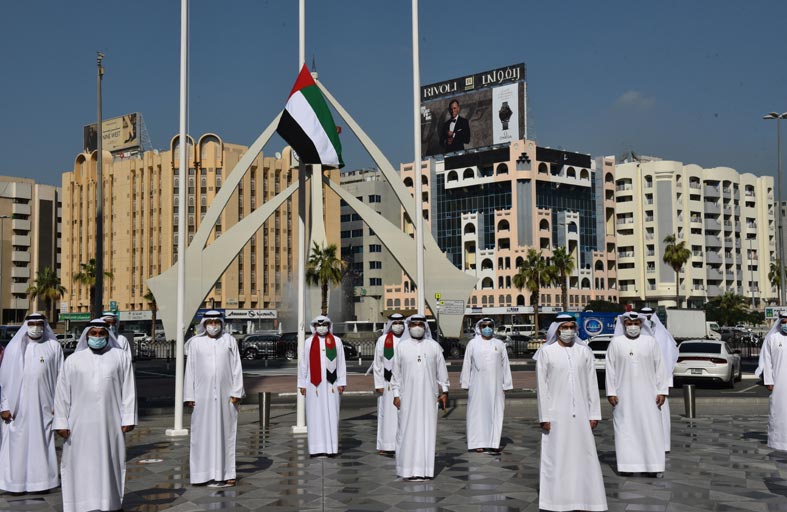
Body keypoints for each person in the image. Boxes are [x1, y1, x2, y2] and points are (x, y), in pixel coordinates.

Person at [54, 318, 137, 512]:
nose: (97, 337)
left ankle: (109, 503)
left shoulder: (120, 356)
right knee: (80, 464)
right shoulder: (73, 360)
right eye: (94, 334)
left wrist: (128, 418)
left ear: (108, 336)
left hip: (111, 423)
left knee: (110, 462)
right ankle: (81, 504)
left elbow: (128, 389)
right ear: (87, 335)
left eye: (101, 334)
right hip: (79, 424)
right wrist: (61, 422)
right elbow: (62, 394)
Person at [536, 313, 607, 511]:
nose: (568, 331)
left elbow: (592, 385)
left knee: (584, 455)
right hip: (556, 414)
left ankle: (585, 500)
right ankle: (556, 501)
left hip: (582, 414)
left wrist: (594, 414)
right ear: (557, 329)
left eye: (571, 327)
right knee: (557, 456)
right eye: (564, 327)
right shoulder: (546, 353)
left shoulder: (584, 352)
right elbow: (542, 387)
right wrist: (545, 416)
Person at [0, 313, 63, 493]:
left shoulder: (54, 346)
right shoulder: (15, 348)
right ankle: (15, 484)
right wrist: (4, 406)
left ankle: (42, 483)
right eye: (32, 323)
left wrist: (58, 405)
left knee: (41, 443)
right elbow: (5, 381)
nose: (36, 327)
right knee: (16, 443)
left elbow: (61, 378)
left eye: (39, 324)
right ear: (26, 325)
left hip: (45, 406)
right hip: (18, 407)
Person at [184, 310, 244, 487]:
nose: (213, 325)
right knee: (202, 434)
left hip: (226, 397)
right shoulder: (195, 343)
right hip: (202, 397)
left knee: (225, 434)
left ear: (221, 323)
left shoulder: (229, 341)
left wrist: (236, 392)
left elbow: (237, 368)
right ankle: (202, 474)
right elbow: (190, 370)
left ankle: (227, 474)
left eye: (216, 322)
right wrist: (189, 395)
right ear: (204, 324)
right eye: (209, 321)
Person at [605, 311, 667, 477]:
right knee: (625, 430)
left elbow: (660, 367)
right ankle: (627, 466)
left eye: (636, 323)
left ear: (641, 324)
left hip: (649, 395)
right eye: (629, 324)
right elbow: (610, 369)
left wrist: (662, 390)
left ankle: (653, 466)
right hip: (623, 396)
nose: (633, 327)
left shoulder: (651, 342)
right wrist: (611, 392)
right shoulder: (616, 343)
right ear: (624, 324)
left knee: (650, 428)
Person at [391, 314, 450, 480]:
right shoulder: (402, 347)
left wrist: (444, 391)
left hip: (428, 398)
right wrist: (396, 394)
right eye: (414, 324)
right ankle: (406, 470)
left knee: (426, 431)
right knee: (406, 431)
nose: (417, 327)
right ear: (409, 327)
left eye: (420, 324)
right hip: (406, 397)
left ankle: (424, 470)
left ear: (425, 327)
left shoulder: (434, 347)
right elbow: (396, 375)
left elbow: (442, 372)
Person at [460, 317, 512, 453]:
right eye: (484, 326)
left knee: (496, 412)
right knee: (477, 413)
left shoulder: (499, 344)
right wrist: (466, 383)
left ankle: (494, 442)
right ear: (480, 328)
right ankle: (478, 443)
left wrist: (506, 384)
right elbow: (467, 364)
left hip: (496, 386)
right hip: (477, 385)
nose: (487, 328)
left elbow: (505, 365)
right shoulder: (472, 344)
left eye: (490, 325)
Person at [298, 315, 347, 456]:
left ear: (329, 325)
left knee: (332, 414)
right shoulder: (308, 343)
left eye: (324, 324)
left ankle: (331, 448)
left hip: (332, 384)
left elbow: (341, 363)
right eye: (318, 325)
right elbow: (303, 365)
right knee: (314, 415)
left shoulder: (336, 341)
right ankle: (316, 448)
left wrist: (342, 382)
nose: (321, 327)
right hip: (313, 385)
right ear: (314, 327)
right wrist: (302, 384)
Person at [640, 306, 679, 452]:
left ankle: (663, 445)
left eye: (649, 316)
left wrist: (665, 383)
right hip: (641, 381)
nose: (647, 319)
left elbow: (669, 357)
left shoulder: (662, 334)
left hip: (659, 382)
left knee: (661, 413)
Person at [373, 313, 405, 454]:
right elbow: (378, 363)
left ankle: (403, 444)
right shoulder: (383, 340)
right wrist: (378, 384)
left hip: (404, 383)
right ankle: (386, 445)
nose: (398, 325)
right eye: (395, 322)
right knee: (387, 414)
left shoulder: (408, 339)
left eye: (400, 322)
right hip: (387, 383)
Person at [756, 313, 787, 450]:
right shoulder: (773, 339)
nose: (785, 324)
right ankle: (779, 442)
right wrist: (769, 381)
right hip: (780, 383)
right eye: (783, 322)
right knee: (780, 412)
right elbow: (767, 362)